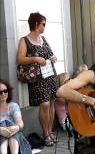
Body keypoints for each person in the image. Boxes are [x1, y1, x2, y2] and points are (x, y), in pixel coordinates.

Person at [16, 12, 58, 146]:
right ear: (36, 24)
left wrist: (54, 58)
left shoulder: (43, 39)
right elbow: (20, 59)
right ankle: (45, 133)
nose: (45, 26)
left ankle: (50, 132)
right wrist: (35, 59)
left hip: (50, 75)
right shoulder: (25, 40)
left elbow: (51, 54)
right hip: (38, 79)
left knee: (51, 103)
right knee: (44, 104)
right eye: (43, 24)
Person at [0, 79, 32, 154]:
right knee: (3, 124)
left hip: (14, 138)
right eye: (0, 92)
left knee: (11, 125)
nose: (3, 94)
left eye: (5, 91)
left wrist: (16, 128)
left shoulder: (13, 106)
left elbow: (20, 123)